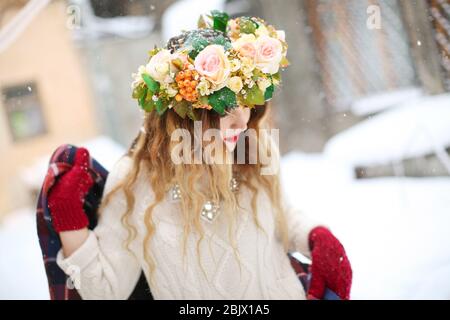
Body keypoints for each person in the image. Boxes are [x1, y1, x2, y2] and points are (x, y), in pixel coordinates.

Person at [47, 11, 352, 300]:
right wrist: (69, 221)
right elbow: (103, 291)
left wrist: (316, 236)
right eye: (225, 105)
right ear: (183, 115)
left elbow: (281, 218)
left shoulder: (253, 150)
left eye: (247, 101)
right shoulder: (135, 180)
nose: (242, 121)